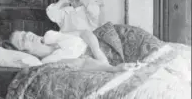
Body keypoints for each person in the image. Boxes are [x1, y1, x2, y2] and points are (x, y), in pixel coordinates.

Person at [9, 30, 139, 73]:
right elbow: (81, 63)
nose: (27, 35)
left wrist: (96, 50)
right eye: (22, 40)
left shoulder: (50, 35)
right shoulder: (48, 61)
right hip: (99, 65)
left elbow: (84, 32)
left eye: (24, 32)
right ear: (26, 52)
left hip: (100, 45)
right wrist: (111, 68)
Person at [45, 0, 108, 64]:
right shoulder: (65, 11)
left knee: (88, 56)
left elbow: (95, 12)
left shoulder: (88, 10)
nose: (74, 2)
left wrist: (84, 2)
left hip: (83, 43)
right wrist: (62, 1)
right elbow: (51, 14)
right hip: (66, 43)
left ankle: (102, 62)